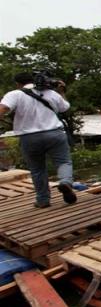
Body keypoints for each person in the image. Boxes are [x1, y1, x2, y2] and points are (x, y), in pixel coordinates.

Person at [0, 72, 77, 208]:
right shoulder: (51, 93)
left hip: (30, 137)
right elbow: (65, 107)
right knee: (63, 162)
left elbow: (3, 108)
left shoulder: (15, 94)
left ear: (18, 83)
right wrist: (61, 91)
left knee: (37, 169)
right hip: (55, 134)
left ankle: (43, 200)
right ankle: (65, 182)